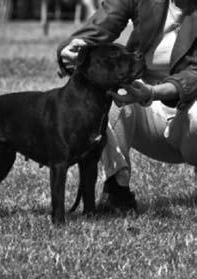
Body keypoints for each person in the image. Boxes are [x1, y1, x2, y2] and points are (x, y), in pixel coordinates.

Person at [57, 0, 197, 212]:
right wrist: (73, 47)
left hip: (188, 118)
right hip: (145, 111)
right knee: (108, 93)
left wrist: (152, 93)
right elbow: (101, 25)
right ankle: (117, 188)